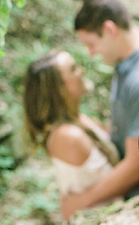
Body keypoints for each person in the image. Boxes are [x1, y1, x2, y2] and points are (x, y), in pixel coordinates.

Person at [61, 0, 139, 220]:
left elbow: (136, 165)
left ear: (110, 29)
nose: (91, 53)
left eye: (91, 44)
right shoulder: (126, 67)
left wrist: (81, 202)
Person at [23, 50, 122, 209]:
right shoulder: (68, 136)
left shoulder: (81, 120)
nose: (81, 70)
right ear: (60, 89)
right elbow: (120, 180)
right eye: (74, 69)